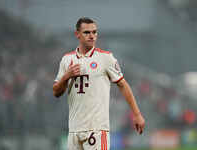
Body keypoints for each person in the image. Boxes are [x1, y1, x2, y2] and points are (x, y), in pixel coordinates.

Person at [53, 17, 145, 150]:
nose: (92, 36)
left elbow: (123, 85)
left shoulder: (105, 58)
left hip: (96, 129)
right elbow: (56, 92)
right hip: (74, 130)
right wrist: (67, 76)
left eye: (94, 32)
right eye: (87, 32)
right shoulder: (67, 60)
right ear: (77, 34)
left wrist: (137, 114)